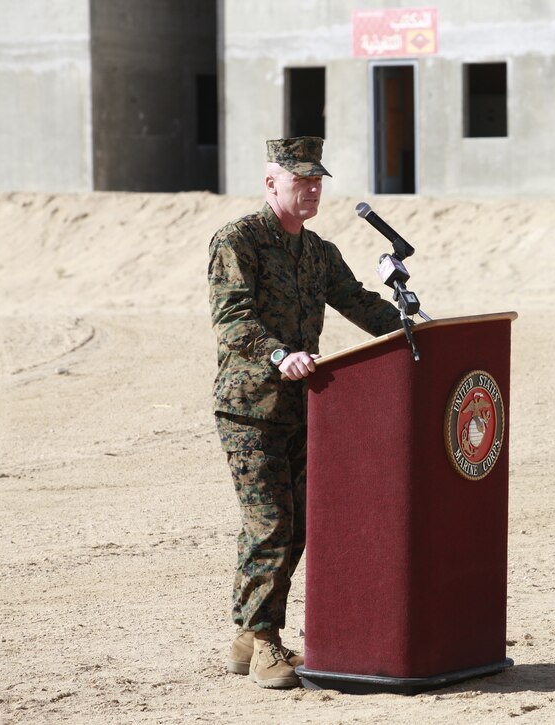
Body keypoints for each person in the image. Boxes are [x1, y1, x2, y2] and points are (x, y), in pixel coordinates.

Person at [208, 137, 401, 689]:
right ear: (273, 184)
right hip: (251, 409)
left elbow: (360, 303)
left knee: (297, 529)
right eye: (300, 181)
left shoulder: (317, 251)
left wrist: (418, 333)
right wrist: (279, 353)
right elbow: (233, 317)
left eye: (318, 181)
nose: (312, 189)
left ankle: (249, 635)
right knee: (270, 524)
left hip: (306, 407)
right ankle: (267, 643)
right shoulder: (238, 240)